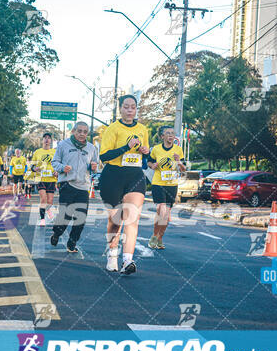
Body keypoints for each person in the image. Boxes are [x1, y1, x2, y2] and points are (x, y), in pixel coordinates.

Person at [99, 94, 149, 275]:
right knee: (115, 220)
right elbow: (104, 156)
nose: (130, 110)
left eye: (133, 107)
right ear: (120, 108)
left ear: (136, 109)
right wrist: (126, 147)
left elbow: (145, 158)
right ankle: (112, 254)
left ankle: (128, 260)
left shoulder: (143, 129)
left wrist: (145, 151)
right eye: (126, 107)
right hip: (113, 176)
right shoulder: (112, 129)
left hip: (134, 176)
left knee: (132, 218)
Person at [50, 122, 98, 252]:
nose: (82, 134)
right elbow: (54, 162)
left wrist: (94, 167)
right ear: (73, 131)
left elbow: (95, 167)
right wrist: (62, 168)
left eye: (85, 132)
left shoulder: (91, 148)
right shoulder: (63, 145)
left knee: (80, 217)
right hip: (67, 183)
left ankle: (72, 243)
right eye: (79, 131)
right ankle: (57, 233)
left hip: (83, 186)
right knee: (65, 215)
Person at [146, 126, 186, 249]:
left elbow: (183, 169)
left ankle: (160, 238)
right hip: (158, 183)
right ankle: (154, 236)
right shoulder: (156, 149)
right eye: (167, 133)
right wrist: (153, 165)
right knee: (161, 211)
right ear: (162, 136)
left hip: (172, 185)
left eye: (172, 133)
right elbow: (149, 162)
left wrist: (179, 161)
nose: (170, 135)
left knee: (166, 215)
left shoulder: (178, 150)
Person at [31, 133, 57, 226]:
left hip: (51, 179)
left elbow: (58, 165)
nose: (47, 140)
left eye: (49, 138)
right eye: (45, 138)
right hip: (40, 178)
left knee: (49, 201)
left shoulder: (54, 152)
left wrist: (57, 172)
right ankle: (42, 219)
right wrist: (34, 168)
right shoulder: (37, 152)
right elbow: (32, 165)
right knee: (43, 199)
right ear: (42, 140)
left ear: (51, 141)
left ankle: (48, 209)